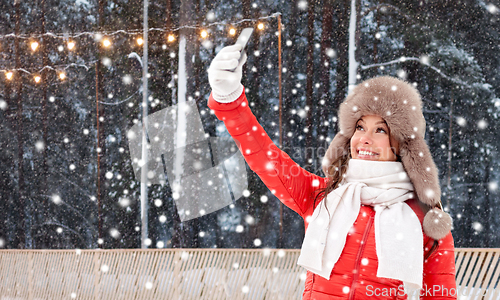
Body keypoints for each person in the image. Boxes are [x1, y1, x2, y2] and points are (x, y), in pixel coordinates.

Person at [207, 44, 457, 299]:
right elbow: (264, 157)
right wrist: (231, 101)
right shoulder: (322, 197)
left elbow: (440, 294)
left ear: (402, 144)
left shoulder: (428, 221)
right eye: (360, 127)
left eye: (380, 130)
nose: (365, 139)